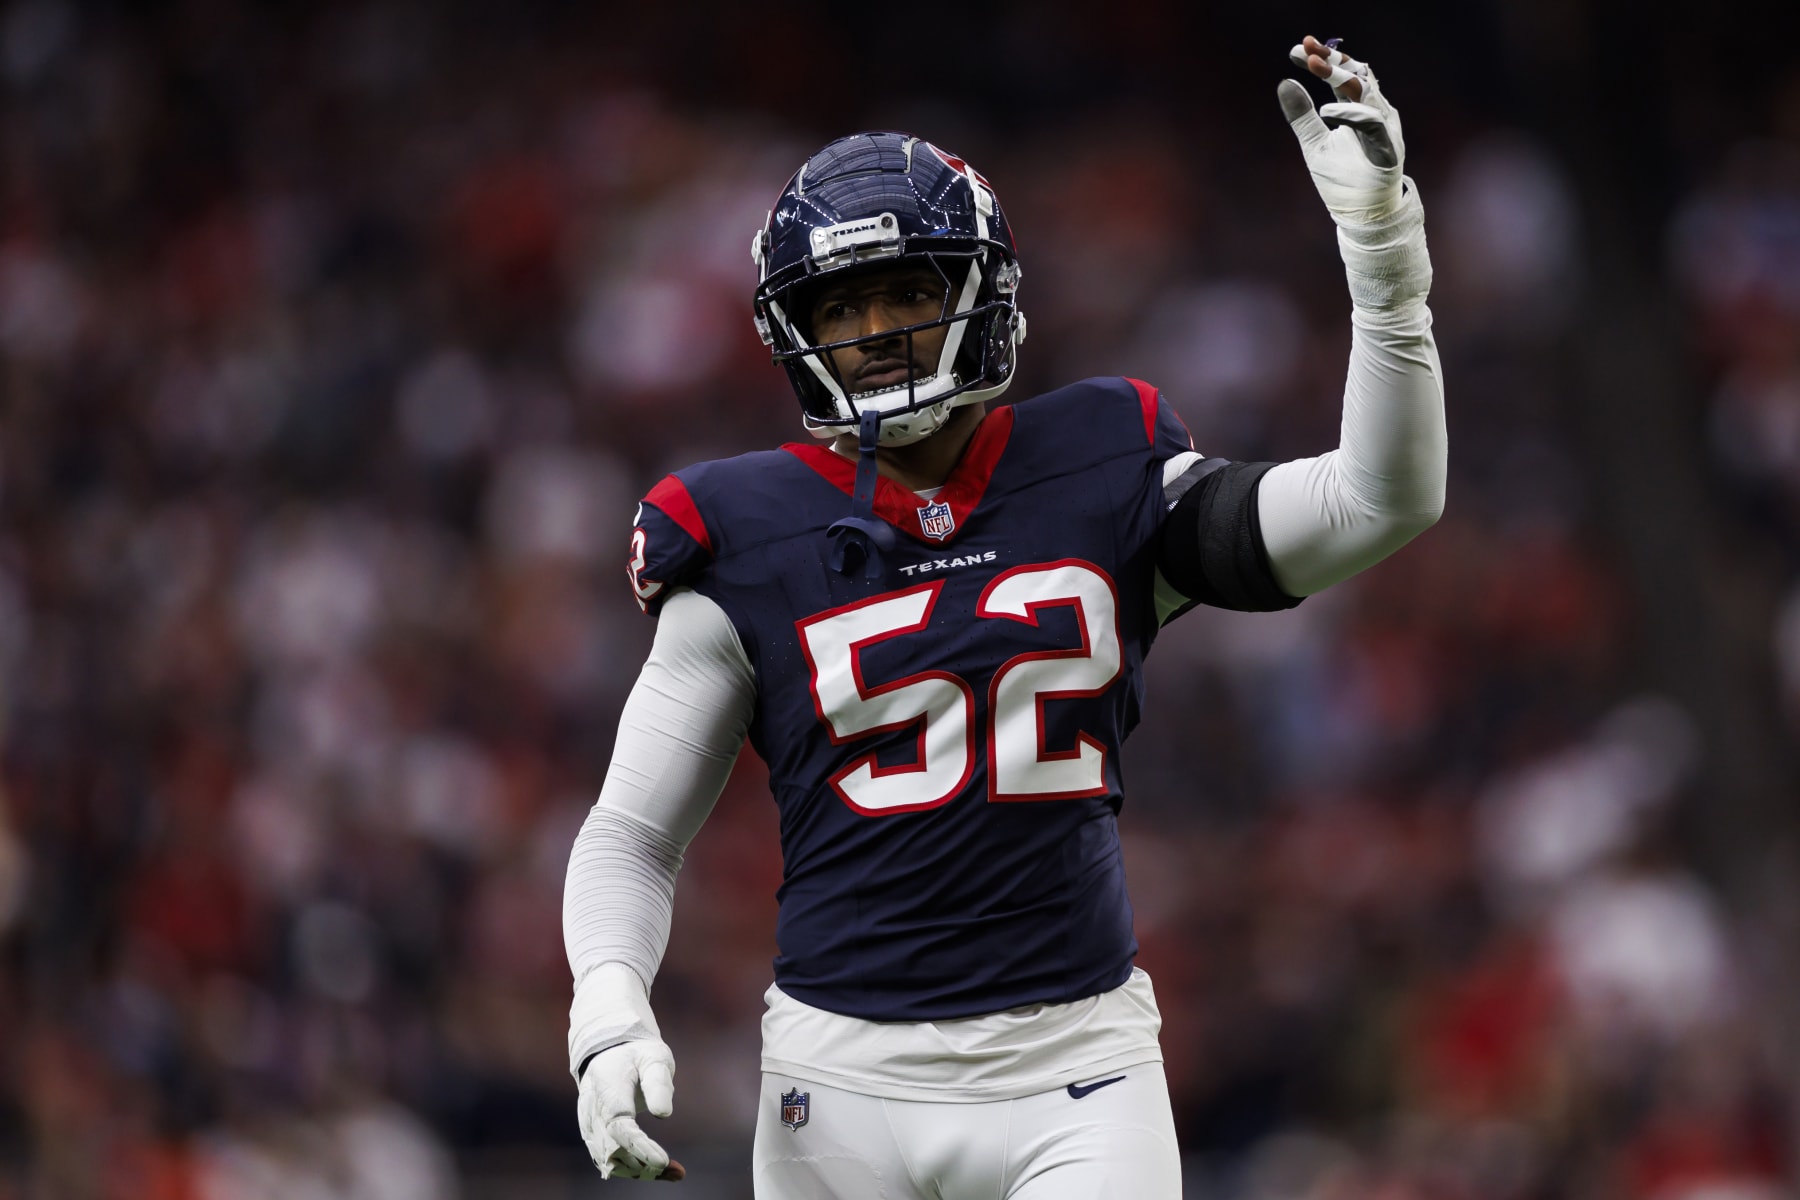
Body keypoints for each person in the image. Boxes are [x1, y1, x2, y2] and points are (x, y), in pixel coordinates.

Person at [563, 34, 1445, 1197]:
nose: (874, 331)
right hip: (837, 1086)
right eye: (843, 305)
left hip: (1076, 1068)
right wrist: (610, 1016)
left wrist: (1385, 262)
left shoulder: (1099, 462)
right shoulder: (744, 529)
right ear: (795, 331)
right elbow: (634, 832)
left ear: (979, 292)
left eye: (904, 293)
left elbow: (1380, 500)